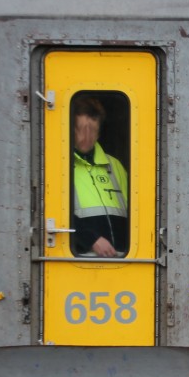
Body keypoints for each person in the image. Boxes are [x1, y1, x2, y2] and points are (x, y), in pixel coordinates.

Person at [70, 97, 129, 257]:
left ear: (99, 132)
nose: (86, 137)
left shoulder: (115, 165)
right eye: (82, 129)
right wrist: (90, 239)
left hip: (121, 259)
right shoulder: (60, 165)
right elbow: (53, 214)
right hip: (80, 261)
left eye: (92, 130)